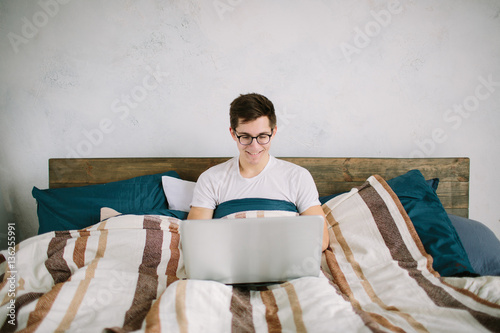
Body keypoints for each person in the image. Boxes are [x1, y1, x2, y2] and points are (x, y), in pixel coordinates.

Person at [187, 93, 330, 251]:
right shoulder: (211, 179)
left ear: (273, 132)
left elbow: (321, 240)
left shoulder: (298, 177)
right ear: (233, 133)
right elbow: (195, 240)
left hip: (286, 263)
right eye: (245, 137)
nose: (254, 147)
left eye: (262, 136)